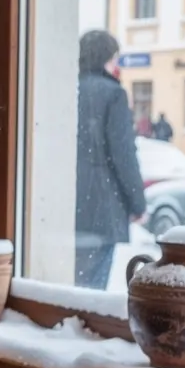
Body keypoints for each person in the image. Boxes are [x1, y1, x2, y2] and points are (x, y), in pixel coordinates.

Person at [75, 31, 146, 290]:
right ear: (107, 57)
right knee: (90, 290)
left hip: (66, 206)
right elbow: (123, 153)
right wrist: (137, 203)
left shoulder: (68, 88)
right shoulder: (113, 94)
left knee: (68, 284)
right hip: (100, 207)